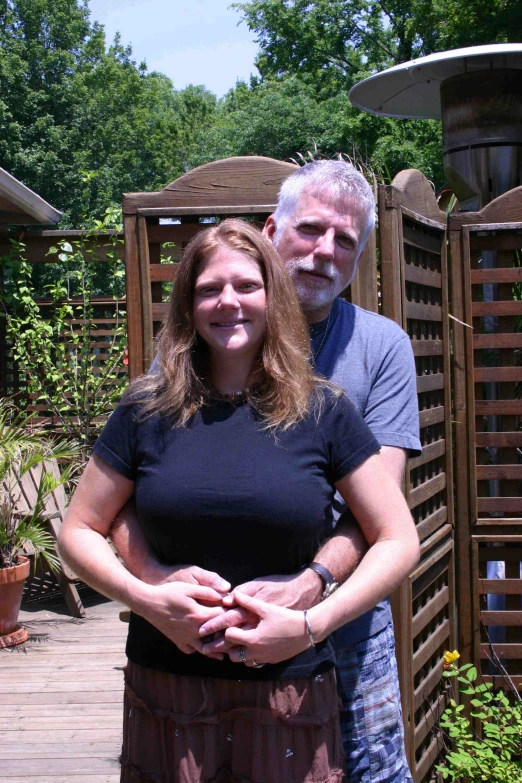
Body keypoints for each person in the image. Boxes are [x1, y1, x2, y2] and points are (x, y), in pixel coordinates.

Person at [59, 218, 420, 783]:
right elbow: (78, 528)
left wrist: (310, 626)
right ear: (188, 304)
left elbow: (398, 539)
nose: (229, 302)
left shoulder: (324, 411)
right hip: (167, 687)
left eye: (247, 286)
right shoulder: (146, 410)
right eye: (209, 289)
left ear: (272, 297)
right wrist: (147, 596)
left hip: (291, 695)